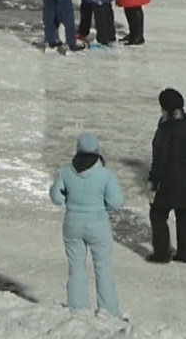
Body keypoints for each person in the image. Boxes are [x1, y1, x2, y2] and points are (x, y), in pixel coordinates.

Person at [50, 132, 126, 321]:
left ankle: (78, 308)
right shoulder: (105, 175)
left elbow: (57, 198)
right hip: (98, 223)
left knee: (75, 266)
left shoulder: (65, 172)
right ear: (97, 152)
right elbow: (116, 202)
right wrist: (102, 207)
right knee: (103, 267)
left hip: (72, 223)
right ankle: (108, 311)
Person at [147, 88, 186, 264]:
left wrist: (153, 182)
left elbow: (159, 159)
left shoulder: (164, 130)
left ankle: (162, 253)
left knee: (158, 213)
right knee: (185, 216)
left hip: (169, 181)